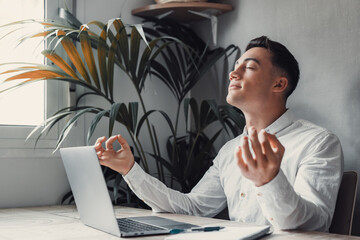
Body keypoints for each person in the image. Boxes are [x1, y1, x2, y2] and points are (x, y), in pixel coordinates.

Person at [95, 36, 343, 232]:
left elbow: (315, 226)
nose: (234, 74)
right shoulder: (230, 151)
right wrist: (130, 169)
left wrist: (270, 181)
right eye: (236, 67)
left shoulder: (318, 142)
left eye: (249, 68)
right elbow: (192, 208)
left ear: (279, 84)